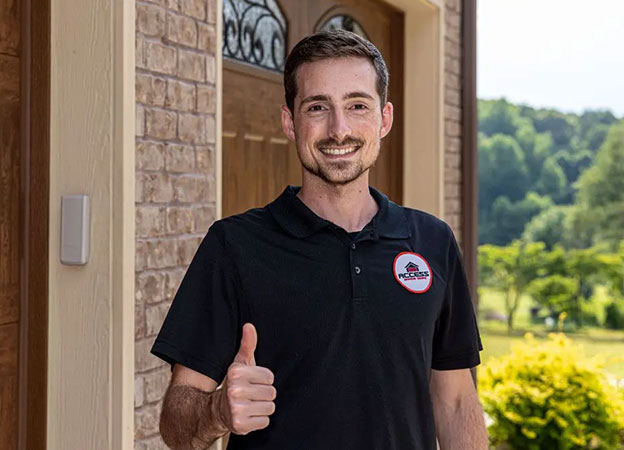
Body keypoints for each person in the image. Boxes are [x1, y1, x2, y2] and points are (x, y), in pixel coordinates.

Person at [152, 30, 488, 450]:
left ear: (384, 119)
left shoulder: (432, 241)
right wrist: (218, 410)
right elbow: (175, 424)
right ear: (290, 122)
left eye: (357, 105)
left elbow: (456, 401)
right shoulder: (234, 245)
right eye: (317, 107)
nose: (339, 129)